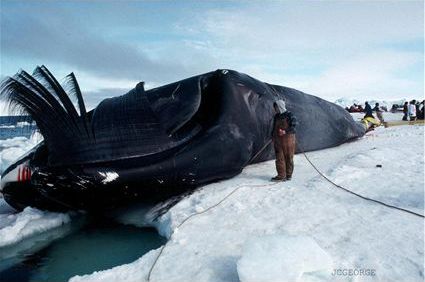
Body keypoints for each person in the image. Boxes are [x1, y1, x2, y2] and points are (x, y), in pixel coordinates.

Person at [271, 100, 297, 182]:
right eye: (275, 108)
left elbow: (294, 127)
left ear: (280, 106)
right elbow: (274, 127)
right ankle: (281, 175)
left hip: (288, 140)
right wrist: (272, 135)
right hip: (278, 141)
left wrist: (285, 131)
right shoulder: (276, 116)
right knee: (279, 158)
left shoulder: (290, 115)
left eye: (276, 107)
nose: (275, 109)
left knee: (288, 157)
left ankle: (288, 175)